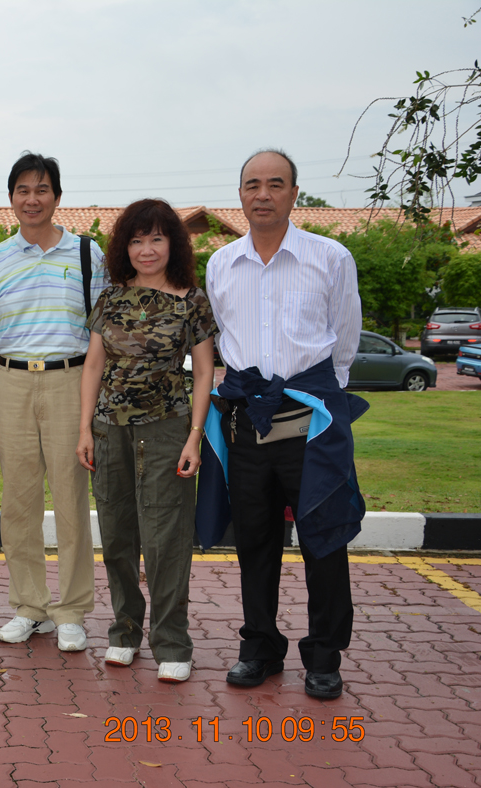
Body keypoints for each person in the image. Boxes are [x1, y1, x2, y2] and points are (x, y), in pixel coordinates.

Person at [203, 149, 365, 699]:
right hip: (246, 428)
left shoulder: (330, 257)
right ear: (240, 195)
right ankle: (260, 648)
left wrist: (316, 400)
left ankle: (323, 655)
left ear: (295, 193)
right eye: (253, 184)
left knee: (325, 538)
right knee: (255, 541)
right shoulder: (221, 264)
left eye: (276, 184)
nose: (263, 194)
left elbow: (344, 343)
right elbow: (223, 337)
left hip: (311, 427)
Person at [0, 152, 108, 652]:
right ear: (11, 198)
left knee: (71, 499)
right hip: (13, 383)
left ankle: (71, 611)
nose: (32, 199)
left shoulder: (88, 254)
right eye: (23, 190)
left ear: (57, 197)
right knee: (19, 502)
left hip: (71, 382)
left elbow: (101, 335)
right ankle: (30, 606)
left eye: (42, 189)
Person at [75, 199, 216, 683]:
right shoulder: (111, 298)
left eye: (156, 238)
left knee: (165, 540)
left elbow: (204, 372)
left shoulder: (191, 300)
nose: (146, 249)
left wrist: (195, 437)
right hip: (109, 431)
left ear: (173, 243)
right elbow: (94, 365)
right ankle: (125, 631)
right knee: (117, 536)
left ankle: (172, 642)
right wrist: (85, 429)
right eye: (136, 240)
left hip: (167, 430)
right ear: (125, 248)